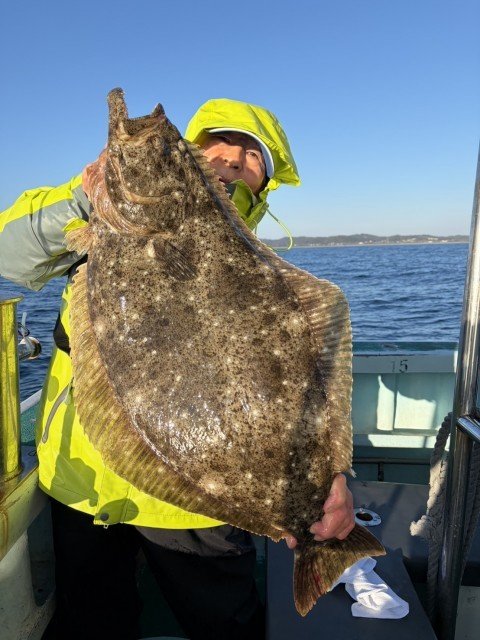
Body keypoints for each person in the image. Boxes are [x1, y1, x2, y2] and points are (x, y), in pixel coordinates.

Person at [0, 97, 354, 639]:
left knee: (225, 628)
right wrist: (84, 196)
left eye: (252, 155)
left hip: (198, 510)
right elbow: (7, 255)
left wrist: (331, 480)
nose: (233, 158)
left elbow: (305, 392)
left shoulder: (263, 278)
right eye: (220, 141)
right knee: (94, 626)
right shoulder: (94, 222)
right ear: (191, 153)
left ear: (266, 183)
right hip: (83, 488)